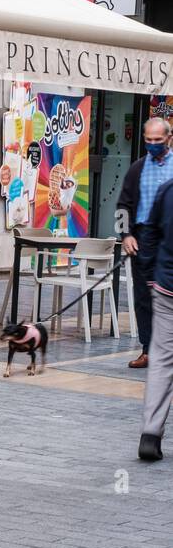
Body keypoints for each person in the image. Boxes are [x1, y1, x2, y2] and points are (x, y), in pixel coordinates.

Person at [119, 117, 173, 370]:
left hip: (170, 237)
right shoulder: (137, 168)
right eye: (148, 140)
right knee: (144, 296)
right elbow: (123, 205)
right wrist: (125, 236)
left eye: (158, 141)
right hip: (142, 239)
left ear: (169, 139)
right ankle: (147, 349)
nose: (152, 145)